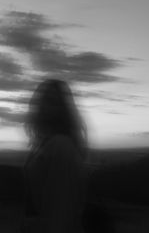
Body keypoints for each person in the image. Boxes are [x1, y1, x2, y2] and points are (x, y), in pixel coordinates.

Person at [20, 79, 88, 233]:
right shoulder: (45, 145)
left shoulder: (60, 146)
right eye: (42, 100)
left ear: (63, 109)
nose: (44, 106)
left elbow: (60, 212)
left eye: (52, 101)